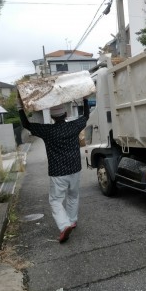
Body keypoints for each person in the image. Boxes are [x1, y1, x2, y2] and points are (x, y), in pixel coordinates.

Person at [17, 93, 90, 243]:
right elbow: (86, 116)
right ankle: (72, 220)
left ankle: (64, 226)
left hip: (58, 172)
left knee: (56, 200)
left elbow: (27, 125)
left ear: (52, 117)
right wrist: (85, 98)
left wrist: (20, 107)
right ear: (66, 114)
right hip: (75, 168)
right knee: (73, 196)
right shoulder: (74, 126)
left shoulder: (48, 131)